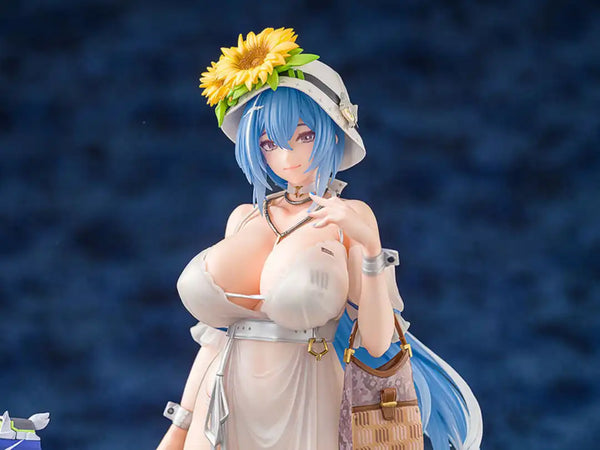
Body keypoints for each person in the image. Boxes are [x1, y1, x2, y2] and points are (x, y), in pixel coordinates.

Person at [157, 27, 482, 450]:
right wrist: (179, 427)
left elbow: (377, 343)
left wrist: (369, 248)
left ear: (333, 131)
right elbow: (216, 337)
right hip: (221, 402)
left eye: (304, 136)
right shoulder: (243, 218)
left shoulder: (351, 217)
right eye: (269, 143)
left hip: (309, 399)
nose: (287, 156)